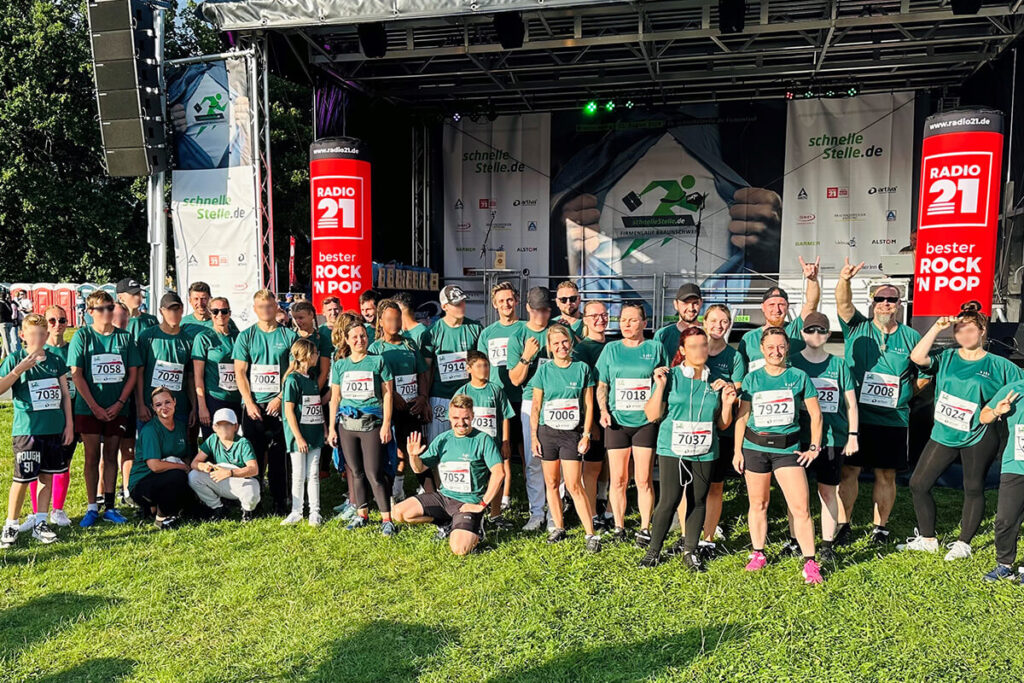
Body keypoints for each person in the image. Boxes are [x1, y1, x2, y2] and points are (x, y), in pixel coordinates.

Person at [900, 308, 1022, 559]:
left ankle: (963, 543)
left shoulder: (999, 365)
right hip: (944, 433)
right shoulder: (946, 357)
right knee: (918, 484)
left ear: (982, 331)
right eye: (959, 329)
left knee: (973, 487)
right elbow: (917, 357)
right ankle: (928, 538)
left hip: (979, 435)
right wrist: (937, 327)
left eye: (970, 329)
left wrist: (1001, 409)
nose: (964, 334)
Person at [834, 259, 929, 545]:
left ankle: (880, 528)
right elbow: (843, 304)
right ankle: (843, 525)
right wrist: (844, 279)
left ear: (899, 304)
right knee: (849, 471)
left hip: (893, 419)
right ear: (873, 303)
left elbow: (925, 374)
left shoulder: (911, 336)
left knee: (886, 474)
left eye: (891, 299)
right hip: (857, 417)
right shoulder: (857, 328)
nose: (885, 303)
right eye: (880, 299)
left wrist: (906, 394)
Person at [640, 327, 737, 569]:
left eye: (703, 345)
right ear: (682, 350)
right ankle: (653, 551)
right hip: (673, 448)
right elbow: (652, 415)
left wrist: (727, 403)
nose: (700, 351)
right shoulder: (670, 376)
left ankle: (690, 551)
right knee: (669, 499)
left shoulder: (716, 381)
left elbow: (722, 424)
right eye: (693, 347)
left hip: (705, 448)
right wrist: (659, 386)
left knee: (698, 499)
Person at [733, 327, 823, 584]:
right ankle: (758, 553)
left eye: (781, 346)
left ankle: (810, 562)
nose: (776, 351)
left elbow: (816, 414)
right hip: (755, 448)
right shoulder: (752, 379)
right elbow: (742, 417)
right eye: (771, 347)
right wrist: (737, 451)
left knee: (800, 508)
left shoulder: (798, 376)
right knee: (758, 504)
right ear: (762, 349)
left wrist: (814, 447)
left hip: (787, 450)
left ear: (787, 349)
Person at [393, 394, 505, 556]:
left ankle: (477, 526)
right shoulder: (443, 439)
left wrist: (482, 504)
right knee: (399, 513)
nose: (461, 423)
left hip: (468, 502)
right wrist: (413, 456)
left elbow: (499, 473)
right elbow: (419, 469)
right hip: (444, 498)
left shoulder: (483, 440)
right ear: (449, 417)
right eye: (456, 418)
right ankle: (446, 523)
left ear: (472, 416)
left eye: (466, 418)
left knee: (460, 549)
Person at [596, 302, 668, 544]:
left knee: (643, 478)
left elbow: (664, 382)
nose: (626, 324)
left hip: (645, 422)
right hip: (617, 422)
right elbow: (603, 384)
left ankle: (645, 528)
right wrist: (603, 410)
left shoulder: (655, 348)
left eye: (633, 320)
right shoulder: (611, 349)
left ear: (644, 323)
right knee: (618, 479)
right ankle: (619, 526)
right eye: (623, 319)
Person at [788, 312, 858, 564]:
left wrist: (852, 435)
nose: (815, 334)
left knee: (828, 491)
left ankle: (827, 544)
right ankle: (795, 540)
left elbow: (850, 403)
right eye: (810, 330)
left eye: (821, 330)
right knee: (797, 495)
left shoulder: (839, 365)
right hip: (799, 438)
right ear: (802, 333)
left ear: (828, 335)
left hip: (832, 438)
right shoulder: (792, 363)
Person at [0, 314, 74, 547]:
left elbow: (65, 395)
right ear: (22, 335)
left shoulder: (55, 360)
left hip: (53, 428)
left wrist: (69, 425)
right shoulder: (15, 359)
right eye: (33, 334)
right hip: (27, 430)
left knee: (47, 475)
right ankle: (11, 524)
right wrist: (18, 370)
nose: (38, 339)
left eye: (42, 334)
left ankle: (41, 521)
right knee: (22, 478)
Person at [68, 290, 140, 527]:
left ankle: (110, 506)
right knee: (92, 457)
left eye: (110, 307)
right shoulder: (82, 336)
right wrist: (95, 406)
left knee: (111, 455)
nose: (107, 312)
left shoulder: (125, 338)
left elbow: (132, 374)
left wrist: (119, 403)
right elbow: (77, 375)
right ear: (91, 312)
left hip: (117, 408)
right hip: (88, 408)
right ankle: (92, 506)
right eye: (102, 309)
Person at [527, 325, 601, 551]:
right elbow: (536, 406)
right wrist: (534, 437)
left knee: (573, 484)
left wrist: (586, 434)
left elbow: (589, 405)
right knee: (551, 483)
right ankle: (558, 527)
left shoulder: (582, 368)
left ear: (570, 342)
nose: (561, 347)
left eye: (564, 342)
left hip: (572, 433)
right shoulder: (544, 371)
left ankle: (590, 533)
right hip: (547, 433)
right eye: (556, 343)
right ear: (550, 346)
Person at [233, 289, 298, 514]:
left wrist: (280, 397)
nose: (265, 310)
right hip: (254, 406)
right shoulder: (246, 336)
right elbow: (240, 372)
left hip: (281, 404)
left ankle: (281, 501)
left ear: (276, 307)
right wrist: (249, 402)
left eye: (269, 306)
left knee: (280, 455)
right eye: (261, 307)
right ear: (255, 309)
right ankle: (254, 502)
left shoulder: (288, 336)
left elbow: (294, 369)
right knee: (254, 455)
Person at [328, 317, 396, 534]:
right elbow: (335, 398)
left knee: (374, 473)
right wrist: (331, 428)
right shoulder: (340, 365)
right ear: (347, 340)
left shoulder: (378, 361)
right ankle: (362, 514)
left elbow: (388, 394)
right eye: (355, 337)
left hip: (372, 424)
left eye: (363, 336)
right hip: (347, 425)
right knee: (356, 472)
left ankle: (387, 519)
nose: (360, 340)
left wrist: (386, 424)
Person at [691, 304, 744, 554]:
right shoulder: (694, 349)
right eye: (713, 321)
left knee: (715, 485)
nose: (718, 326)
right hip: (692, 428)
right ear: (704, 322)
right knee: (690, 485)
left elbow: (739, 391)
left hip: (721, 431)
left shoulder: (734, 357)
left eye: (724, 321)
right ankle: (687, 533)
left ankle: (708, 537)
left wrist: (728, 387)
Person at [368, 300, 432, 500]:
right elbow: (374, 379)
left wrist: (423, 398)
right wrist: (393, 395)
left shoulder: (409, 344)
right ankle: (395, 490)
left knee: (415, 447)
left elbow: (422, 373)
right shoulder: (375, 348)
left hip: (412, 406)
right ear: (380, 321)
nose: (394, 324)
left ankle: (428, 492)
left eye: (397, 319)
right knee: (394, 450)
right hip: (389, 407)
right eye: (389, 319)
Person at [507, 286, 556, 531]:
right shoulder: (517, 336)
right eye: (536, 310)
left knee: (558, 460)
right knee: (533, 459)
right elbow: (515, 379)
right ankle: (537, 513)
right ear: (527, 308)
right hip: (531, 401)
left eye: (545, 310)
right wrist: (527, 356)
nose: (541, 315)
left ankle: (556, 514)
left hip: (558, 400)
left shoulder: (557, 331)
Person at [475, 281, 525, 511]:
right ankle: (502, 497)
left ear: (517, 300)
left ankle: (533, 500)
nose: (506, 304)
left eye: (510, 299)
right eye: (501, 301)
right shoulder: (487, 333)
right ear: (494, 304)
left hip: (522, 397)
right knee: (500, 451)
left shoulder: (525, 328)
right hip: (496, 400)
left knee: (526, 453)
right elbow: (481, 366)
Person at [27, 306, 77, 527]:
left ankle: (58, 509)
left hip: (69, 412)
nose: (58, 325)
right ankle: (36, 512)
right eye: (52, 320)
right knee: (36, 465)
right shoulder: (38, 350)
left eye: (62, 320)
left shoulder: (73, 347)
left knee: (64, 461)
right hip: (41, 418)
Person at [455, 351, 515, 528]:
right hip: (471, 445)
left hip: (493, 444)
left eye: (486, 365)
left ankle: (495, 514)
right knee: (473, 479)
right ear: (469, 369)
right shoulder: (463, 392)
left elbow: (505, 416)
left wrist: (505, 441)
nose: (484, 369)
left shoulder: (495, 390)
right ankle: (472, 513)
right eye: (479, 366)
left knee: (495, 478)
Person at [737, 257, 821, 373]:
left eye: (781, 304)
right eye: (771, 305)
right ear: (763, 307)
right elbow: (740, 372)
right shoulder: (749, 338)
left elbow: (811, 304)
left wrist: (812, 280)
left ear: (787, 306)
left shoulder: (796, 330)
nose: (776, 309)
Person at [421, 285, 483, 441]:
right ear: (444, 307)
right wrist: (425, 399)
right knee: (438, 442)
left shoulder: (475, 328)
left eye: (463, 302)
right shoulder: (432, 332)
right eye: (456, 304)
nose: (462, 306)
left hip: (468, 396)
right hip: (440, 396)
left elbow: (482, 365)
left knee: (468, 442)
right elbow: (426, 370)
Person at [128, 387, 191, 529]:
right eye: (158, 404)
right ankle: (161, 518)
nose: (164, 407)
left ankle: (152, 509)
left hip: (165, 476)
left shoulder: (180, 426)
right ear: (153, 408)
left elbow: (185, 455)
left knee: (195, 508)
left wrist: (188, 468)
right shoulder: (150, 430)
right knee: (177, 476)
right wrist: (182, 467)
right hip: (143, 480)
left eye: (167, 402)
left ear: (175, 402)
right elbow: (155, 466)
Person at [573, 299, 611, 531]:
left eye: (604, 314)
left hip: (613, 413)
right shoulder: (582, 350)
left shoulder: (614, 345)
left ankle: (604, 500)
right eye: (594, 316)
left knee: (610, 463)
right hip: (593, 415)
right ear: (585, 320)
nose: (600, 319)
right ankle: (591, 512)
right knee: (593, 466)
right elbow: (582, 390)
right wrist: (590, 424)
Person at [980, 381, 1024, 581]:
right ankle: (1004, 565)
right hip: (1015, 465)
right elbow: (983, 417)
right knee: (1005, 519)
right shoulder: (1015, 389)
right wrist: (997, 411)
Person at [281, 338, 325, 527]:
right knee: (298, 474)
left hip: (315, 432)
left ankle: (315, 511)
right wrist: (298, 437)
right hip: (298, 434)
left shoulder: (312, 378)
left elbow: (317, 405)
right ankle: (296, 511)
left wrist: (323, 428)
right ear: (307, 355)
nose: (317, 356)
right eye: (315, 353)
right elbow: (288, 410)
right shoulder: (292, 380)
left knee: (313, 473)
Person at [188, 408, 260, 522]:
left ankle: (247, 511)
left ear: (236, 427)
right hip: (221, 479)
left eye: (228, 424)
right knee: (193, 476)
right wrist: (203, 466)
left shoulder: (243, 443)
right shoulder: (213, 439)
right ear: (214, 428)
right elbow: (194, 463)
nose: (223, 428)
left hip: (240, 480)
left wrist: (230, 473)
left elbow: (254, 469)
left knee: (252, 490)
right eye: (219, 425)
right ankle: (218, 507)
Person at [136, 292, 196, 429]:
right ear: (161, 311)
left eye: (176, 309)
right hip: (151, 408)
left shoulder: (189, 340)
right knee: (149, 442)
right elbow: (139, 373)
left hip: (179, 408)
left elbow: (190, 377)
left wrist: (194, 407)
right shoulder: (147, 336)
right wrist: (140, 404)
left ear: (182, 309)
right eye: (169, 310)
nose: (173, 313)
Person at [192, 296, 241, 440]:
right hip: (214, 398)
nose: (220, 315)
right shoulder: (203, 338)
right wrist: (202, 407)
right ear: (210, 313)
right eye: (215, 311)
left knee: (233, 442)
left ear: (229, 313)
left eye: (224, 311)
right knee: (214, 443)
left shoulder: (238, 337)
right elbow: (198, 376)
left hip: (236, 398)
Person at [290, 300, 333, 392]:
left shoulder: (322, 339)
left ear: (311, 315)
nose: (298, 322)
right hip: (293, 389)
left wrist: (314, 392)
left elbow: (324, 371)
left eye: (301, 318)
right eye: (295, 318)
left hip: (314, 387)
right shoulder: (290, 337)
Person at [653, 283, 703, 362]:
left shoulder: (709, 334)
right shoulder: (663, 334)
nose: (691, 308)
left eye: (695, 303)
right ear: (676, 304)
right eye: (685, 303)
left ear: (701, 303)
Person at [1, 289, 19, 356]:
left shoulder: (3, 303)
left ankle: (7, 353)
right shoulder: (7, 303)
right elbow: (11, 311)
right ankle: (5, 353)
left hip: (3, 322)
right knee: (6, 338)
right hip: (8, 322)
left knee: (6, 338)